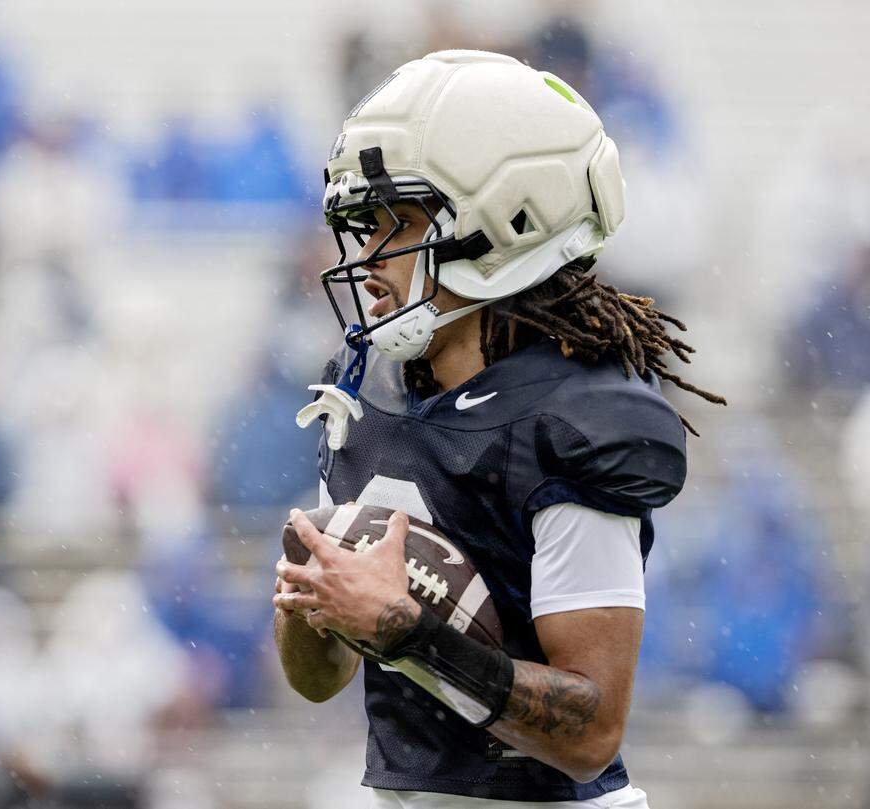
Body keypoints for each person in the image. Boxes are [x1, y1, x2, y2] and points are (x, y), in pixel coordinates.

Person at [272, 51, 724, 808]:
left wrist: (409, 633)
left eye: (398, 224)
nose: (368, 257)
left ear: (504, 223)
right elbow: (318, 681)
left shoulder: (574, 418)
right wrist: (311, 596)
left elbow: (589, 735)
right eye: (364, 225)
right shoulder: (366, 390)